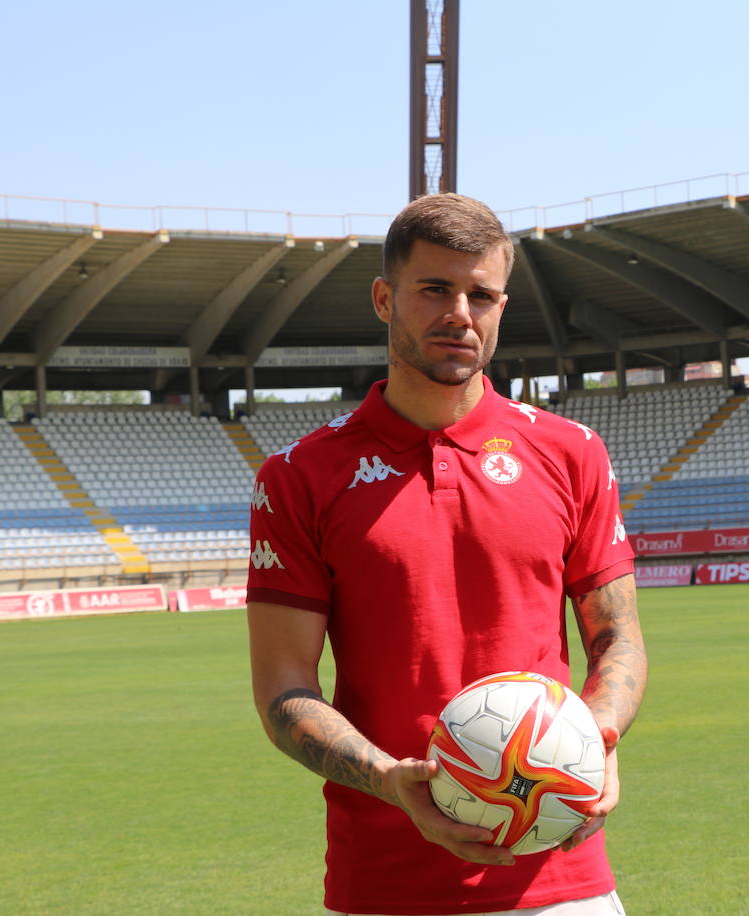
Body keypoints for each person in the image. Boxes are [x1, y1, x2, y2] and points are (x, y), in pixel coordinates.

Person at [246, 192, 647, 916]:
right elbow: (283, 690)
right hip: (385, 884)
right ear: (383, 298)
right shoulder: (300, 475)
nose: (460, 313)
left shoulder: (571, 452)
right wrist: (389, 778)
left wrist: (600, 738)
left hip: (559, 879)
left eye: (481, 294)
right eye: (435, 289)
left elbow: (617, 638)